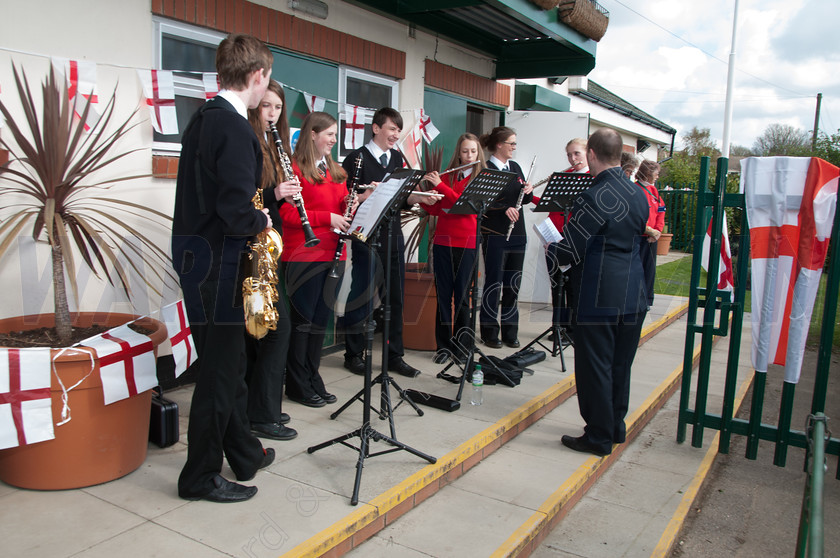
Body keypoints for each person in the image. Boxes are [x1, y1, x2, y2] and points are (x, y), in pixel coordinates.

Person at [171, 34, 276, 503]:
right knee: (217, 373)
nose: (264, 92)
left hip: (198, 256)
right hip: (221, 263)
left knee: (229, 363)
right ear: (257, 77)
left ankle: (244, 452)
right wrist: (263, 219)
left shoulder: (202, 119)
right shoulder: (234, 128)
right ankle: (199, 477)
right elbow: (237, 212)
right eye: (266, 83)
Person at [552, 128, 650, 457]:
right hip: (633, 292)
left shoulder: (592, 196)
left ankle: (597, 436)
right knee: (621, 365)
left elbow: (572, 249)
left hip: (598, 296)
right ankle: (615, 426)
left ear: (592, 154)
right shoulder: (638, 193)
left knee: (595, 367)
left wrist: (553, 249)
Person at [340, 108, 437, 378]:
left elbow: (402, 198)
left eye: (398, 129)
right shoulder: (356, 158)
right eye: (391, 129)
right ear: (376, 128)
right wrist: (365, 194)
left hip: (393, 234)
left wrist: (419, 199)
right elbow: (346, 200)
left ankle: (395, 356)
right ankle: (353, 354)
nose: (396, 134)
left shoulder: (397, 158)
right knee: (362, 295)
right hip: (366, 236)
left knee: (396, 298)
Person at [281, 111, 351, 408]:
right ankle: (297, 383)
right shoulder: (294, 169)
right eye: (330, 135)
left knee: (321, 322)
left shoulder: (335, 170)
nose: (334, 141)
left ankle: (312, 376)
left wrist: (353, 203)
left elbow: (342, 204)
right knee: (304, 322)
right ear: (312, 134)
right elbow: (285, 214)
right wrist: (328, 217)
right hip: (303, 254)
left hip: (334, 252)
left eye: (335, 136)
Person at [243, 80, 299, 441]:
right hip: (252, 249)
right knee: (273, 329)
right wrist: (274, 192)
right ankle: (261, 413)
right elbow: (244, 197)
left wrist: (285, 199)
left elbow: (269, 202)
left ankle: (260, 407)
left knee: (266, 329)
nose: (272, 114)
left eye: (277, 108)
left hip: (270, 245)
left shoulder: (274, 146)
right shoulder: (247, 143)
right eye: (266, 106)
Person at [423, 133, 486, 364]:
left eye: (473, 151)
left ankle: (463, 346)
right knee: (443, 297)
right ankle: (443, 347)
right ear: (458, 154)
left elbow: (463, 205)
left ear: (478, 153)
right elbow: (436, 210)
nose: (469, 155)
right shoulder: (449, 178)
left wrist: (440, 185)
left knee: (461, 297)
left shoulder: (481, 179)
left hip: (466, 243)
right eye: (465, 151)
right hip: (443, 242)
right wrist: (426, 197)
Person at [479, 126, 533, 349]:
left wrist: (527, 191)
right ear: (499, 144)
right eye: (511, 143)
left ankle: (510, 332)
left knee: (513, 285)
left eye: (515, 143)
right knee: (494, 284)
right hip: (496, 234)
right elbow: (482, 203)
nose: (514, 147)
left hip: (518, 233)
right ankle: (490, 332)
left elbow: (522, 201)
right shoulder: (486, 169)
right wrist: (503, 209)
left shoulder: (516, 167)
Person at [534, 138, 589, 338]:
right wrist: (531, 195)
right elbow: (549, 203)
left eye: (577, 154)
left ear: (588, 153)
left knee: (574, 286)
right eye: (569, 154)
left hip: (574, 239)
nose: (572, 158)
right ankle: (558, 327)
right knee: (556, 284)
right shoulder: (564, 176)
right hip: (554, 236)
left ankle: (573, 330)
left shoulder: (593, 178)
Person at [636, 160, 666, 308]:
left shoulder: (654, 191)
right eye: (656, 174)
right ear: (647, 173)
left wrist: (658, 231)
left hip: (652, 239)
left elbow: (661, 211)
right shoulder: (636, 189)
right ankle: (638, 300)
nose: (657, 177)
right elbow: (636, 216)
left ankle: (647, 299)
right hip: (639, 238)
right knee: (638, 270)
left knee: (649, 270)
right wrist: (648, 231)